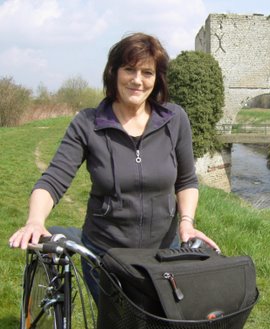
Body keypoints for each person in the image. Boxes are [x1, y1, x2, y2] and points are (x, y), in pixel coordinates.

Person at [8, 33, 219, 299]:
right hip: (105, 255)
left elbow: (187, 180)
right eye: (129, 69)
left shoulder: (174, 119)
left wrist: (186, 223)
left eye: (147, 72)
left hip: (164, 253)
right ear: (114, 72)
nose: (137, 80)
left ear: (157, 78)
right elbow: (53, 180)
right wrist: (35, 221)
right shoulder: (88, 123)